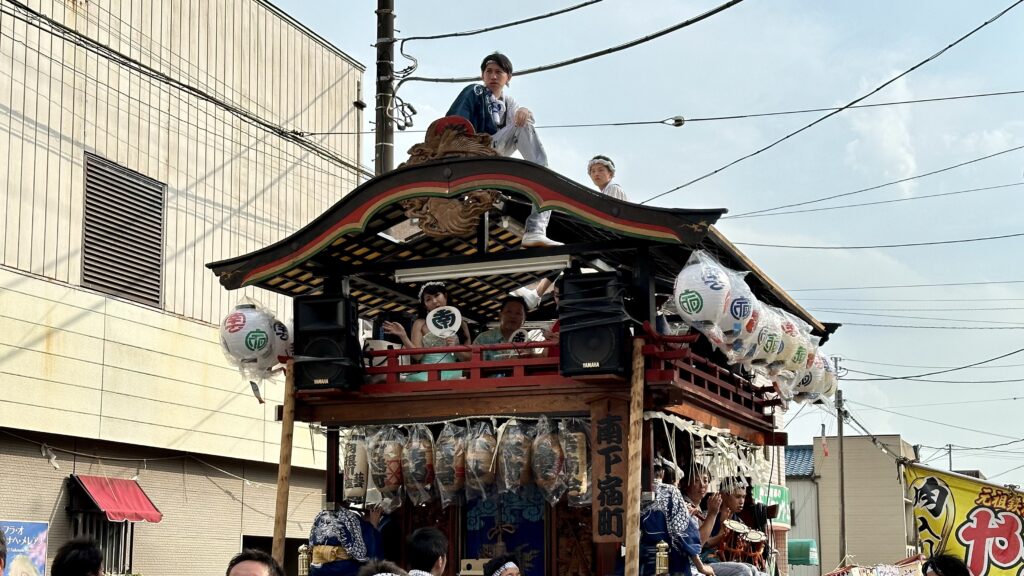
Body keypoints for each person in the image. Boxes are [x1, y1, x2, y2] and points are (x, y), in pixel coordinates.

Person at [447, 52, 558, 248]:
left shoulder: (509, 103)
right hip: (473, 151)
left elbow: (521, 124)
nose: (493, 76)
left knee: (523, 124)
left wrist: (525, 111)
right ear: (482, 75)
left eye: (499, 72)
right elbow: (454, 124)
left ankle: (536, 229)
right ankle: (542, 170)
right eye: (488, 71)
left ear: (508, 78)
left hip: (496, 155)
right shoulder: (475, 92)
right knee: (523, 127)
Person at [382, 281, 471, 380]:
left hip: (454, 373)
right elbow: (418, 356)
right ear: (424, 305)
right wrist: (403, 336)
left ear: (445, 296)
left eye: (437, 295)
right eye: (428, 299)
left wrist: (456, 348)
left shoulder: (461, 323)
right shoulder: (420, 323)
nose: (434, 301)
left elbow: (469, 357)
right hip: (426, 373)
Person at [698, 477, 765, 576]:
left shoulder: (738, 522)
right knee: (744, 571)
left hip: (728, 562)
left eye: (743, 497)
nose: (742, 501)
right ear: (723, 495)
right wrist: (722, 530)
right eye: (737, 497)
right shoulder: (707, 516)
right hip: (706, 561)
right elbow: (704, 543)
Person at [309, 505, 386, 576]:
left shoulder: (319, 516)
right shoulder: (350, 517)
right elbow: (371, 552)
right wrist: (373, 525)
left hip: (317, 569)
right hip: (342, 569)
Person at [473, 296, 541, 361]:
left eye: (518, 313)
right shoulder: (483, 339)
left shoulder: (528, 344)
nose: (513, 316)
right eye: (509, 312)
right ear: (500, 316)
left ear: (524, 319)